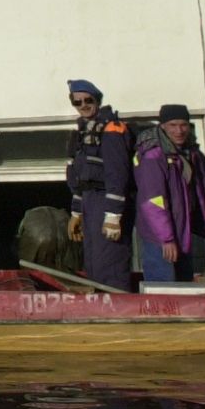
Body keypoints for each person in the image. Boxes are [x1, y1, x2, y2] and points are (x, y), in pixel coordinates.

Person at [133, 105, 205, 283]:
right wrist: (167, 239)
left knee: (184, 284)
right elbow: (153, 202)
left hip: (184, 232)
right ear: (162, 126)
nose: (179, 131)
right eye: (173, 125)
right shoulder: (154, 156)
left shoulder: (192, 153)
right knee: (163, 288)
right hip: (160, 237)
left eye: (183, 125)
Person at [64, 77, 136, 291]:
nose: (83, 106)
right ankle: (102, 307)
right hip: (89, 202)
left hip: (107, 201)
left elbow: (118, 174)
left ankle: (118, 310)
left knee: (110, 262)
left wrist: (113, 216)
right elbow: (79, 178)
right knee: (94, 262)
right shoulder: (84, 133)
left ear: (97, 100)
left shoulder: (112, 130)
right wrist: (76, 212)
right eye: (77, 102)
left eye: (88, 100)